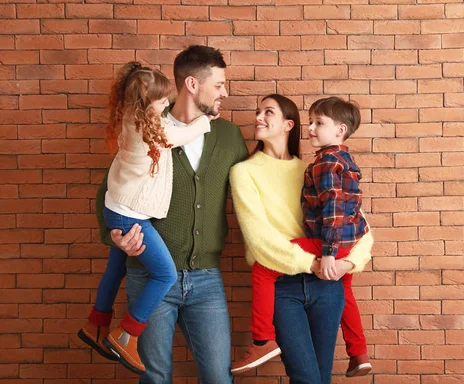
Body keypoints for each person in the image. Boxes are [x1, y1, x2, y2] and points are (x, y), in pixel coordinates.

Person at [90, 46, 248, 384]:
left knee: (219, 378)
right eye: (219, 85)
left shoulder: (229, 136)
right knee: (155, 378)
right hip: (149, 275)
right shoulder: (145, 128)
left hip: (206, 279)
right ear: (192, 83)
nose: (225, 92)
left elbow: (254, 191)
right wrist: (115, 237)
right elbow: (110, 193)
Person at [77, 61, 214, 374]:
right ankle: (127, 334)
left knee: (117, 267)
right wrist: (204, 121)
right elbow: (175, 137)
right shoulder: (148, 132)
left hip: (119, 206)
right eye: (161, 100)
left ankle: (96, 323)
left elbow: (165, 126)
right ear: (146, 104)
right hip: (130, 215)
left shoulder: (132, 118)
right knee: (165, 274)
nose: (167, 103)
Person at [229, 94, 374, 383]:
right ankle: (262, 342)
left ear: (288, 124)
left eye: (267, 112)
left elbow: (357, 223)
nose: (258, 117)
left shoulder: (312, 169)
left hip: (327, 283)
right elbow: (260, 242)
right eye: (258, 111)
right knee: (306, 377)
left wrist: (347, 264)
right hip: (282, 286)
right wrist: (314, 263)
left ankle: (358, 352)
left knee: (321, 378)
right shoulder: (243, 172)